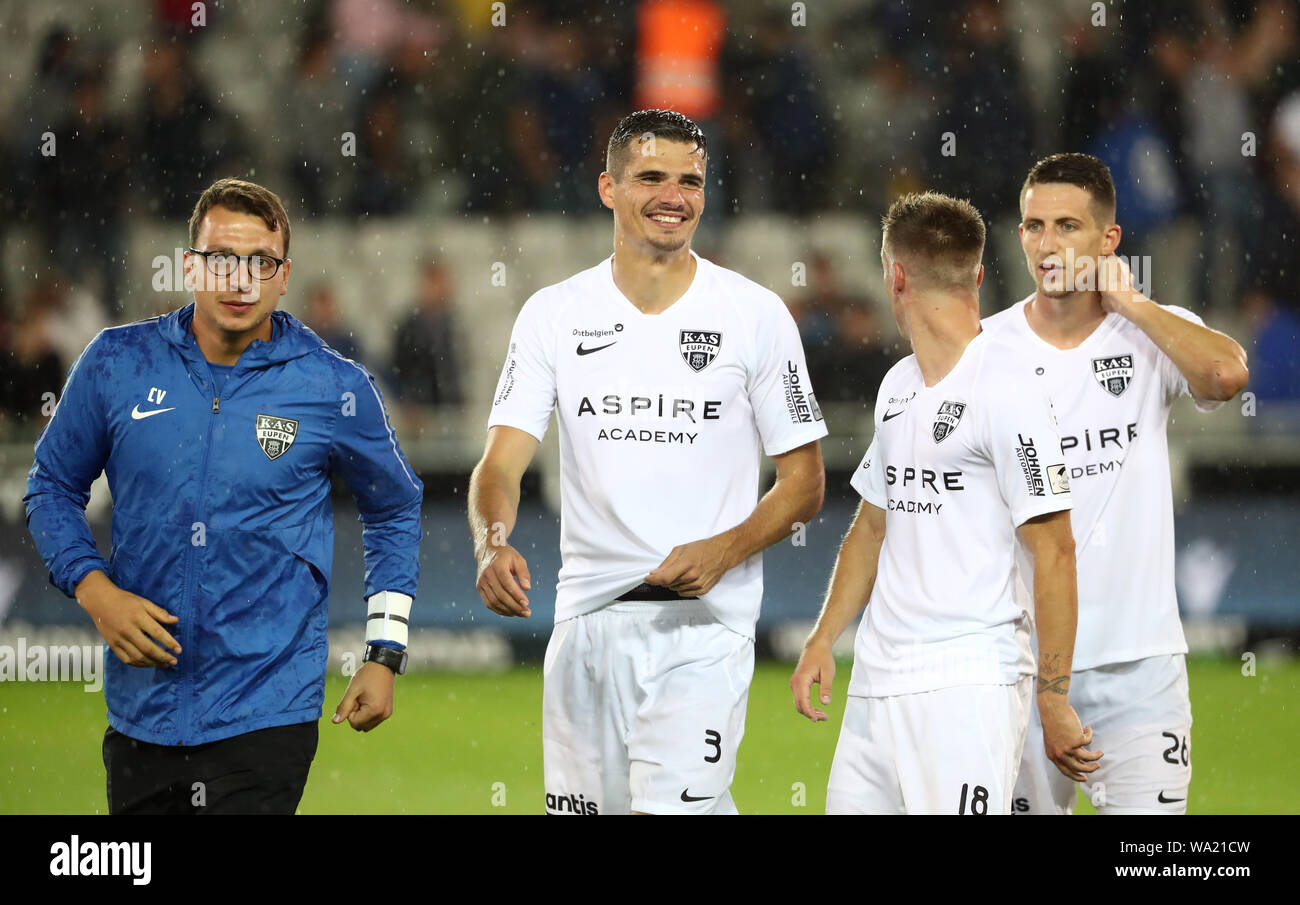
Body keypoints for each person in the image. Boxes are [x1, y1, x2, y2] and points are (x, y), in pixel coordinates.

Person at [23, 178, 423, 814]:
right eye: (221, 260)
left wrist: (385, 650)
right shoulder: (116, 363)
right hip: (141, 714)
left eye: (261, 262)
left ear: (284, 275)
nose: (241, 280)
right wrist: (97, 594)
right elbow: (49, 487)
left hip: (268, 715)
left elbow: (395, 507)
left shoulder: (332, 386)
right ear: (190, 266)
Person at [468, 109, 827, 814]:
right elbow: (499, 465)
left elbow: (806, 481)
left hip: (704, 625)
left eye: (691, 180)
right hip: (587, 622)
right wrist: (491, 541)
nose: (675, 195)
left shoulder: (754, 315)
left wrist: (723, 551)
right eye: (652, 177)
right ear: (608, 187)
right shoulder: (554, 314)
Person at [790, 192, 1099, 814]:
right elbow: (871, 528)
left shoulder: (1009, 389)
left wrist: (1053, 695)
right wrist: (823, 639)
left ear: (894, 276)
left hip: (969, 683)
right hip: (878, 683)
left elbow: (1057, 550)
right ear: (978, 275)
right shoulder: (897, 385)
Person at [985, 153, 1249, 814]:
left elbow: (1227, 376)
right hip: (1021, 669)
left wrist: (1131, 301)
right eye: (1033, 225)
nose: (1047, 244)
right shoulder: (986, 351)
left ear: (1109, 241)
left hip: (1140, 671)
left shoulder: (1150, 334)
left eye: (1068, 226)